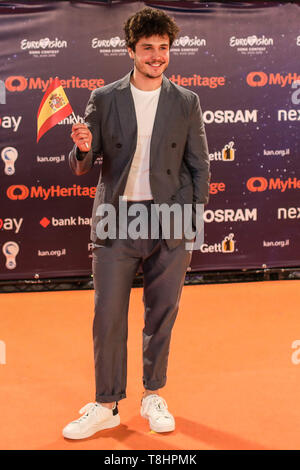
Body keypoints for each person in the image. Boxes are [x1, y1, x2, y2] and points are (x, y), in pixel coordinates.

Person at [63, 7, 210, 440]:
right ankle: (107, 404)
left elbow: (199, 166)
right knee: (107, 315)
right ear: (131, 50)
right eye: (148, 48)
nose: (157, 56)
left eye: (163, 48)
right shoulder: (104, 98)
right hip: (116, 218)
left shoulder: (186, 101)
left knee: (162, 313)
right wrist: (83, 148)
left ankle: (153, 395)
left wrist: (190, 222)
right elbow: (81, 164)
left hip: (171, 219)